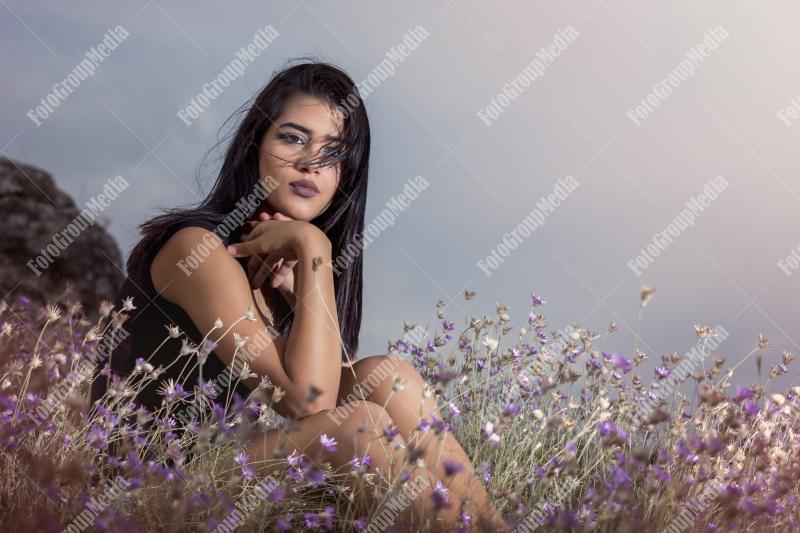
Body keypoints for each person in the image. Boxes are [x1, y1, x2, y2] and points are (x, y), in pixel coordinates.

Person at [90, 58, 507, 531]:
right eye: (292, 138)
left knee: (389, 379)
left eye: (332, 152)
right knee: (358, 426)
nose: (311, 162)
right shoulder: (199, 249)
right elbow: (313, 405)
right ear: (255, 146)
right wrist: (315, 249)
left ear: (344, 176)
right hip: (149, 497)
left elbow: (328, 393)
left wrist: (300, 289)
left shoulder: (282, 271)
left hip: (239, 474)